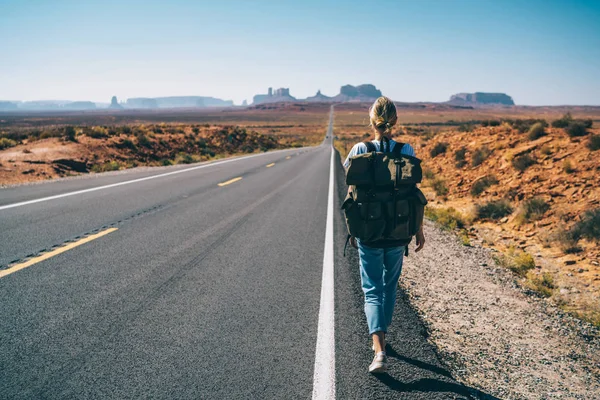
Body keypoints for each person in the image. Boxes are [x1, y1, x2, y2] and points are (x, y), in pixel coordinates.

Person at [343, 96, 426, 373]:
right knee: (389, 287)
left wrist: (352, 229)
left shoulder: (359, 149)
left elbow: (351, 194)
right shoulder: (407, 150)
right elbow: (415, 196)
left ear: (371, 120)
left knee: (372, 290)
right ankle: (382, 337)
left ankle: (379, 350)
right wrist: (419, 230)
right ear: (395, 121)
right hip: (399, 231)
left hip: (368, 231)